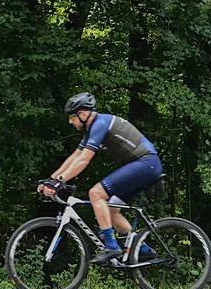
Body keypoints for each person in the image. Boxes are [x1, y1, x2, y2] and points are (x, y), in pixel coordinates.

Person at [37, 92, 161, 264]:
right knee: (111, 211)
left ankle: (111, 247)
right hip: (143, 166)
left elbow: (84, 160)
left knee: (96, 193)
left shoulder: (100, 124)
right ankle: (143, 249)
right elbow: (75, 156)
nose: (70, 122)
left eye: (72, 117)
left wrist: (60, 181)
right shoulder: (93, 128)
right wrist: (52, 179)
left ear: (83, 114)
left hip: (146, 163)